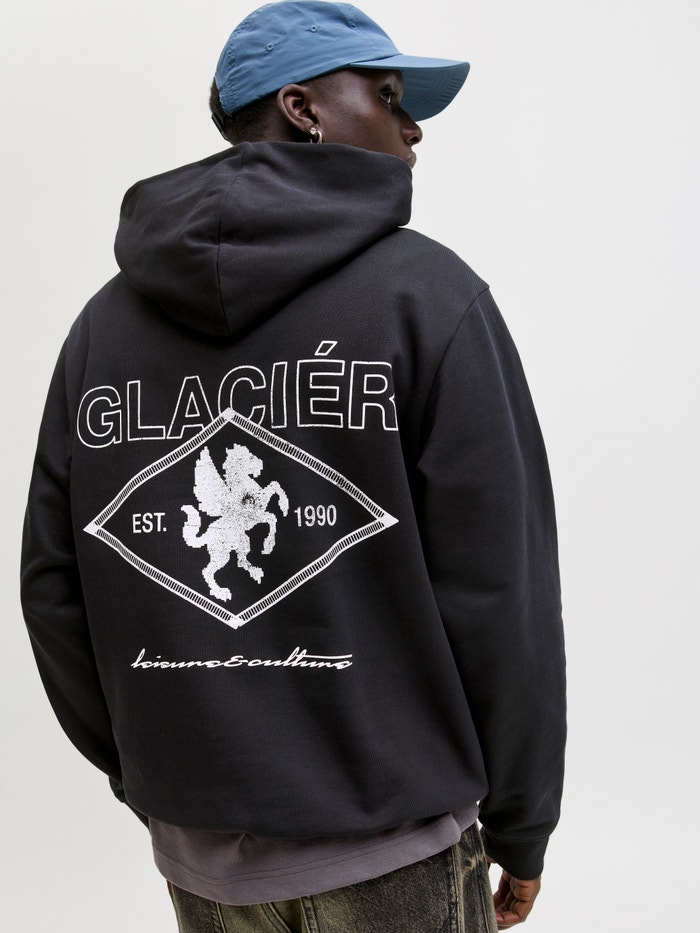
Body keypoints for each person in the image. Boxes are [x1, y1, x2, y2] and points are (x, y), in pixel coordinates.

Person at [21, 2, 566, 931]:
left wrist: (157, 774)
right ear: (303, 108)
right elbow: (500, 590)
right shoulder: (430, 298)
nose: (413, 126)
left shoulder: (102, 327)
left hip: (199, 855)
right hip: (395, 844)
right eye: (388, 95)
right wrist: (525, 818)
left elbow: (52, 585)